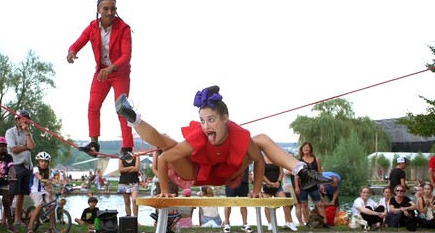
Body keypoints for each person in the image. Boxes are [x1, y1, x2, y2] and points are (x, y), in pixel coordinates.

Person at [115, 85, 331, 198]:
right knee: (167, 143)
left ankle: (303, 171)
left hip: (230, 171)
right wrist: (164, 189)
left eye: (211, 120)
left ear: (225, 118)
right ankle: (133, 117)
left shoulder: (239, 135)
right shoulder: (199, 136)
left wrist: (256, 189)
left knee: (262, 139)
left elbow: (259, 160)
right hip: (197, 172)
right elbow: (163, 158)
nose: (206, 126)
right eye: (202, 121)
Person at [67, 0, 134, 161]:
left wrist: (111, 68)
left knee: (122, 108)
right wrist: (72, 52)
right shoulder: (92, 27)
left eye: (113, 9)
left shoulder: (124, 28)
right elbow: (78, 43)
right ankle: (94, 143)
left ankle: (127, 147)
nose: (110, 12)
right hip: (102, 72)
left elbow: (126, 55)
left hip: (119, 73)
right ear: (98, 10)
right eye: (106, 9)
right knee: (93, 106)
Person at [5, 109, 36, 226]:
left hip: (27, 166)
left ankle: (17, 219)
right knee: (11, 193)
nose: (23, 121)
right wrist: (26, 147)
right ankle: (5, 219)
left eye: (26, 119)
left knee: (22, 194)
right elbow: (13, 149)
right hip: (15, 165)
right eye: (21, 118)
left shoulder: (28, 133)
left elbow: (32, 146)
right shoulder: (10, 132)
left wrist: (27, 132)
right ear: (17, 119)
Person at [295, 142, 329, 228]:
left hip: (313, 185)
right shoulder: (299, 161)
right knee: (304, 205)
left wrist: (321, 184)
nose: (306, 149)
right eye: (304, 147)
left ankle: (325, 222)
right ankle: (307, 223)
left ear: (310, 149)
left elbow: (319, 172)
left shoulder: (316, 159)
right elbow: (296, 175)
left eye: (307, 147)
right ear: (302, 149)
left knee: (319, 204)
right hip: (303, 186)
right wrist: (296, 187)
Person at [262, 156, 297, 232]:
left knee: (285, 201)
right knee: (267, 204)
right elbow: (261, 174)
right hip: (267, 185)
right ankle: (270, 223)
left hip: (277, 185)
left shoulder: (276, 159)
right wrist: (269, 183)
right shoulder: (262, 160)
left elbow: (281, 172)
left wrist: (278, 181)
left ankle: (289, 222)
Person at [26, 152, 53, 233]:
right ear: (38, 162)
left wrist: (51, 196)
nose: (43, 163)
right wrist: (42, 179)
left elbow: (49, 184)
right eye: (41, 161)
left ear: (48, 163)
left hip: (44, 190)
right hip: (34, 190)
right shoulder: (35, 168)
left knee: (52, 206)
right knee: (39, 205)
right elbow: (37, 175)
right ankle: (29, 228)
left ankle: (52, 228)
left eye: (45, 161)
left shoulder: (49, 170)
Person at [222, 167, 253, 233]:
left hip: (243, 181)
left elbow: (249, 162)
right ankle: (226, 223)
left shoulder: (246, 156)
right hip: (231, 180)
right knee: (228, 202)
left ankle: (245, 224)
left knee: (243, 203)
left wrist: (249, 174)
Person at [118, 151, 140, 217]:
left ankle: (135, 218)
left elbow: (136, 169)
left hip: (134, 182)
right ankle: (129, 218)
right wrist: (131, 167)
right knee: (127, 202)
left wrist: (125, 170)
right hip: (123, 182)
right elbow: (120, 170)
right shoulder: (121, 157)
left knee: (134, 200)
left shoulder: (137, 156)